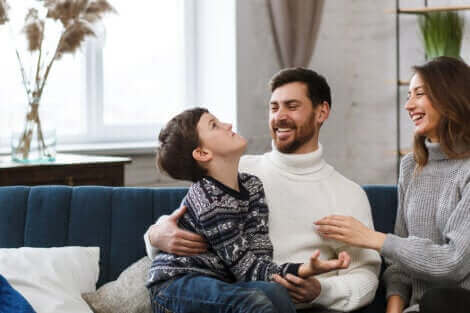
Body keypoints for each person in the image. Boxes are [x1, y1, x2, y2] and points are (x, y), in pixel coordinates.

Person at [145, 68, 382, 313]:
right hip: (227, 292)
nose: (280, 116)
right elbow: (184, 221)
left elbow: (366, 277)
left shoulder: (346, 194)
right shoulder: (236, 169)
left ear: (321, 112)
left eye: (291, 106)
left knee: (267, 294)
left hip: (270, 293)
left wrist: (321, 291)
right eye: (274, 107)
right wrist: (154, 235)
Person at [315, 56, 470, 313]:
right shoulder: (412, 166)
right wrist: (394, 310)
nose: (409, 105)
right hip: (419, 308)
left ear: (450, 97)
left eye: (419, 94)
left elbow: (453, 263)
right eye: (408, 95)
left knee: (438, 301)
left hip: (456, 304)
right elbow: (398, 265)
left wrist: (372, 238)